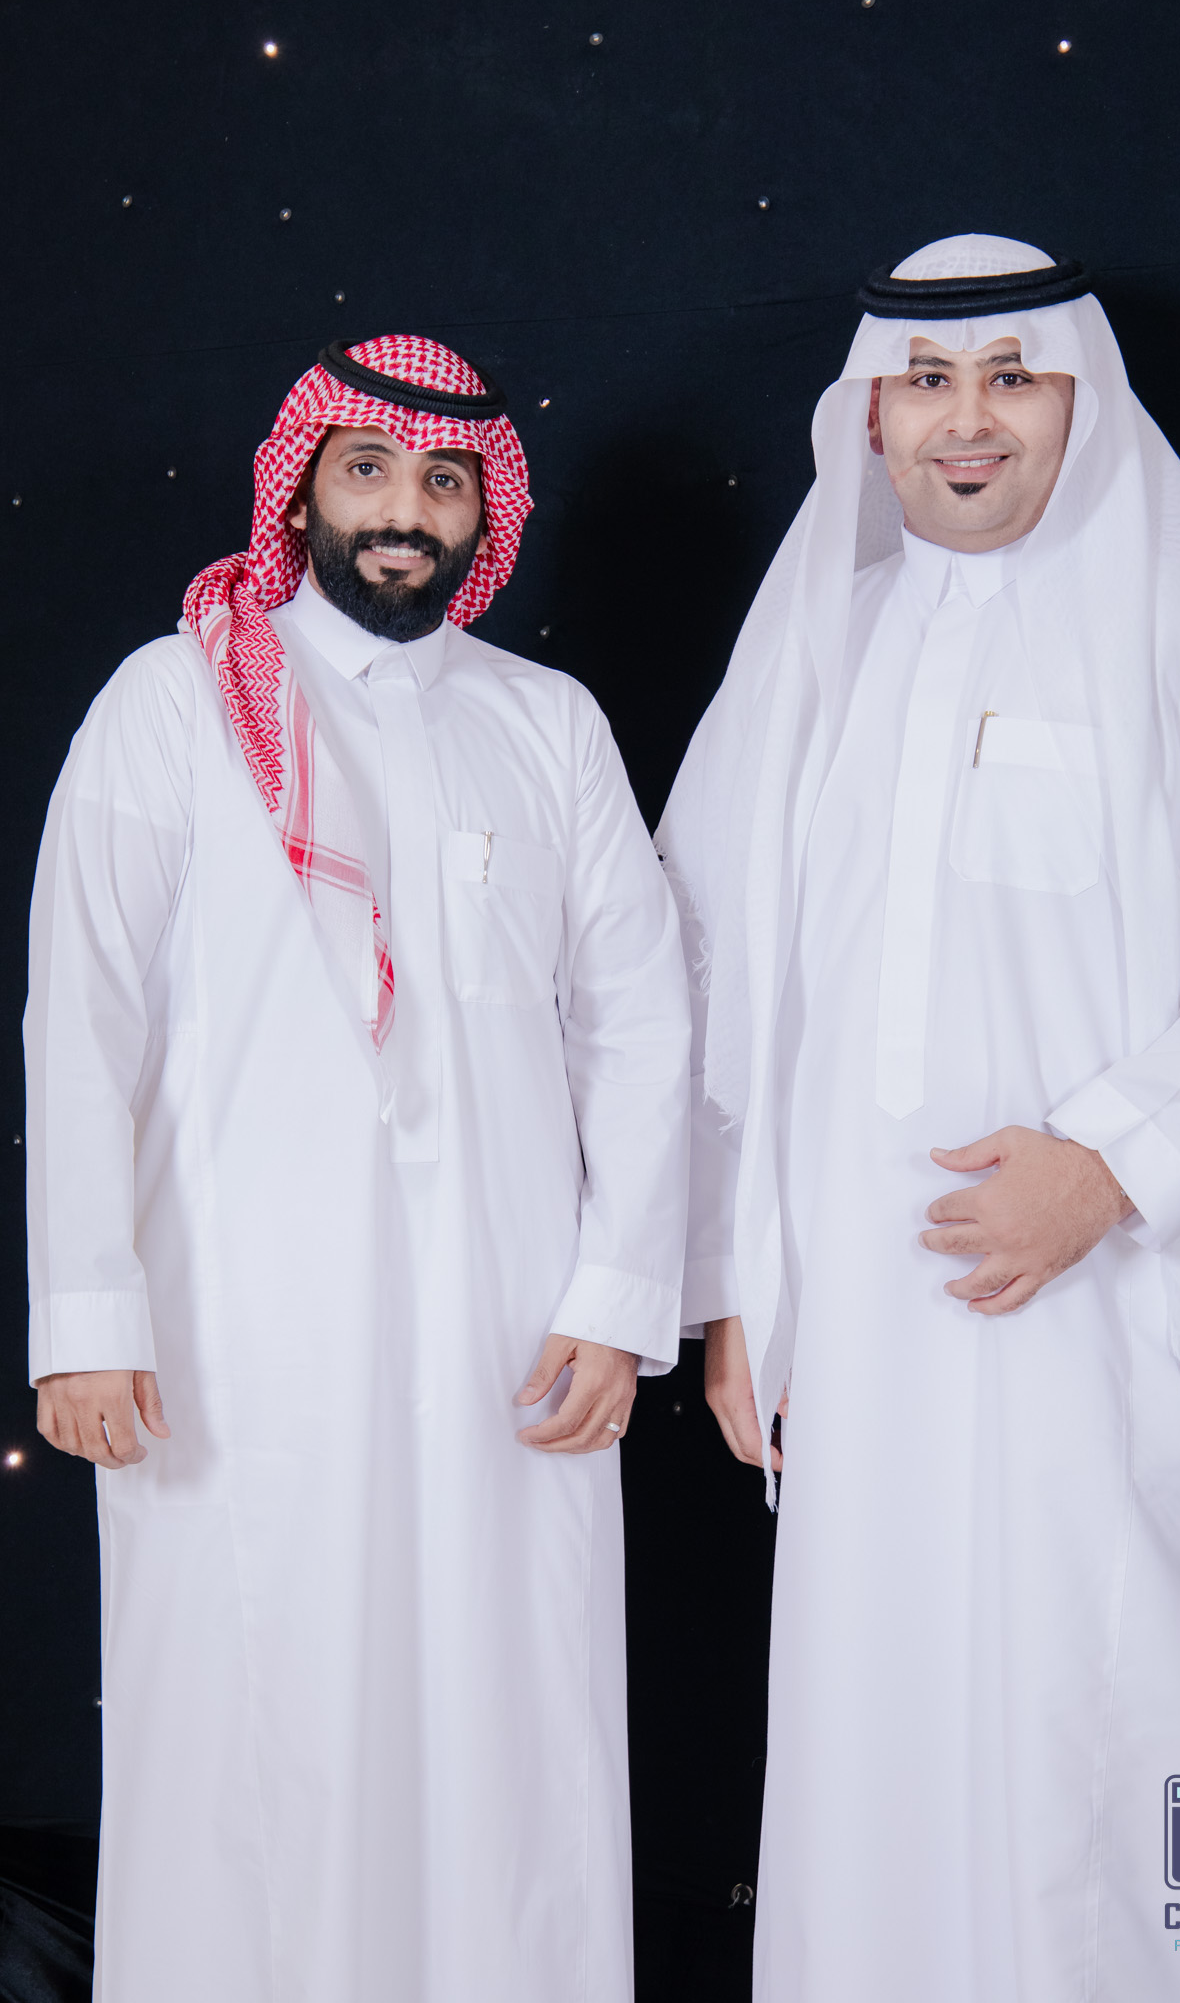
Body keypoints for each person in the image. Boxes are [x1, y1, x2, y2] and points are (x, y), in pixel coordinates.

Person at [658, 236, 1180, 2000]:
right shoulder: (818, 642)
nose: (964, 420)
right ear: (868, 413)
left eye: (1008, 378)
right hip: (865, 1343)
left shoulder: (1175, 617)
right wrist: (729, 1285)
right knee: (877, 1745)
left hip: (1121, 1313)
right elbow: (704, 970)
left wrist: (1115, 1162)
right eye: (924, 381)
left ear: (1078, 401)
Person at [26, 334, 691, 2003]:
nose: (405, 510)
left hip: (510, 1333)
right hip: (233, 1331)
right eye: (370, 470)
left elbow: (641, 1020)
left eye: (443, 480)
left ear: (485, 513)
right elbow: (80, 1015)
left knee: (505, 1722)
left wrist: (620, 1299)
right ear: (303, 489)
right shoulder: (173, 699)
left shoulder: (548, 724)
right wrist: (86, 1314)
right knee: (248, 1727)